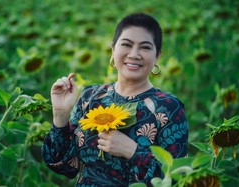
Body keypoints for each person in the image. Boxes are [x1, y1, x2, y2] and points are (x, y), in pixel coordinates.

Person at [42, 13, 188, 187]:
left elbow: (176, 180)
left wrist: (132, 151)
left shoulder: (168, 107)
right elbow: (65, 166)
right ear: (113, 50)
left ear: (157, 56)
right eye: (126, 44)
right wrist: (60, 115)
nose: (134, 54)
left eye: (145, 47)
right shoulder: (91, 97)